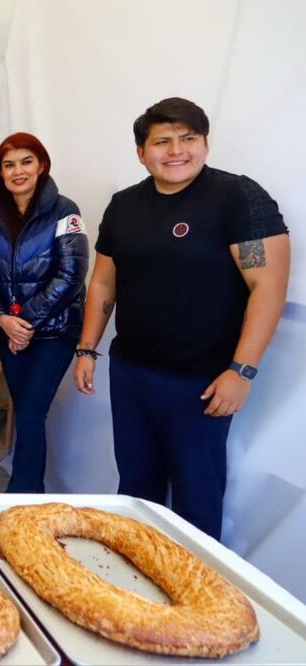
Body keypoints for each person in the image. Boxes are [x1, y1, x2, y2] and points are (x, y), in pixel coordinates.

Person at [74, 97, 290, 540]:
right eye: (163, 141)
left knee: (197, 496)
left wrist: (242, 370)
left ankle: (199, 595)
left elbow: (267, 286)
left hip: (202, 381)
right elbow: (103, 284)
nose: (176, 150)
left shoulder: (238, 198)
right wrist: (86, 349)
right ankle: (137, 586)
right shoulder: (124, 205)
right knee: (135, 488)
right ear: (141, 152)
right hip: (132, 373)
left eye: (188, 138)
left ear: (205, 144)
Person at [0, 133, 88, 493]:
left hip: (53, 332)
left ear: (41, 165)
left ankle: (22, 497)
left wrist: (24, 323)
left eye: (26, 161)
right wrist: (1, 319)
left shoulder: (65, 210)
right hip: (9, 328)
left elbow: (72, 274)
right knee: (27, 414)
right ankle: (29, 495)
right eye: (9, 164)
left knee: (30, 414)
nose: (18, 171)